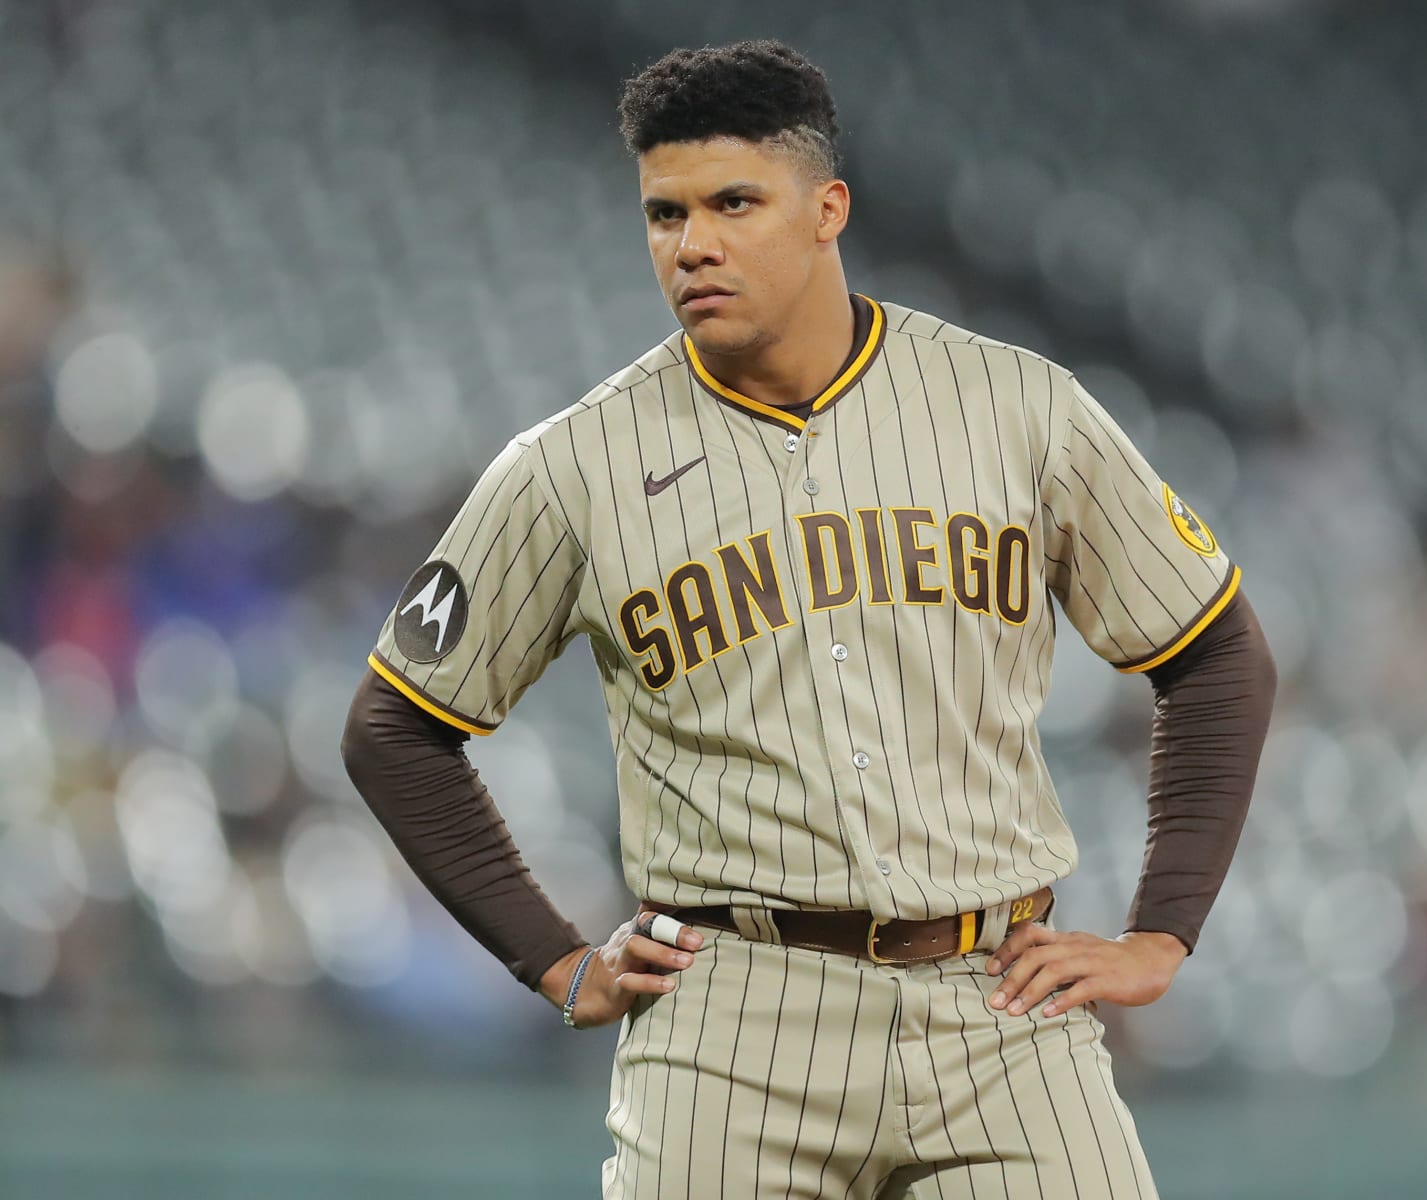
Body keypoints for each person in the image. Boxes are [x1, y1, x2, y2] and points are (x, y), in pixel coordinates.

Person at [340, 38, 1277, 1199]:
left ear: (828, 209)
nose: (693, 244)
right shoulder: (570, 466)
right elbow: (394, 727)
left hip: (1000, 1003)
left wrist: (1162, 931)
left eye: (734, 203)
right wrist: (557, 962)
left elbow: (1216, 651)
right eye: (665, 213)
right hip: (731, 1022)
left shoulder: (1019, 406)